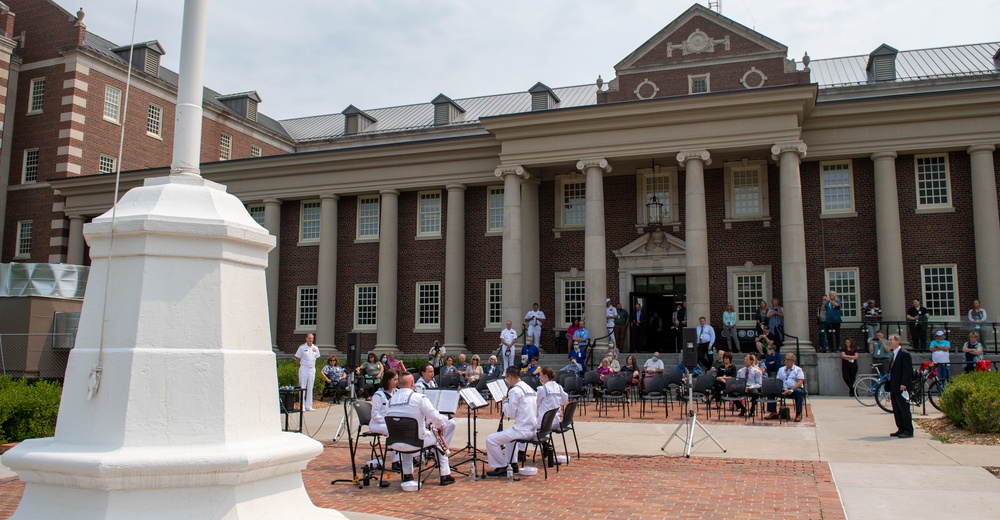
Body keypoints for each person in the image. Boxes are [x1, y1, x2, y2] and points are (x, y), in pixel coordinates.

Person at [385, 373, 456, 486]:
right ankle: (445, 474)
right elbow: (435, 417)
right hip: (417, 442)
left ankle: (407, 474)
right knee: (439, 442)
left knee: (405, 434)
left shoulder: (390, 400)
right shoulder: (419, 398)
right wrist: (440, 427)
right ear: (412, 384)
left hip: (395, 442)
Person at [485, 367, 538, 477]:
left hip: (522, 430)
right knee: (510, 438)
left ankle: (501, 466)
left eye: (506, 378)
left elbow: (510, 413)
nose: (507, 381)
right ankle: (512, 463)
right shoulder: (530, 389)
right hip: (532, 428)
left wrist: (505, 402)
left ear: (510, 377)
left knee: (490, 439)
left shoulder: (515, 391)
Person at [886, 334, 914, 438]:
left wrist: (904, 383)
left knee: (904, 409)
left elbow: (907, 371)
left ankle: (908, 430)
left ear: (898, 341)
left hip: (901, 386)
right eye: (889, 340)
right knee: (896, 409)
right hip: (893, 385)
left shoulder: (904, 354)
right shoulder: (893, 354)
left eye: (891, 340)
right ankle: (900, 428)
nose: (889, 342)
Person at [765, 353, 805, 422]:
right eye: (785, 359)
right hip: (783, 389)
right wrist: (781, 389)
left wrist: (790, 390)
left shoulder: (798, 370)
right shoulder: (781, 369)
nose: (785, 361)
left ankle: (798, 414)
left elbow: (800, 382)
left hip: (794, 389)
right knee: (770, 391)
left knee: (799, 392)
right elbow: (777, 381)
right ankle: (773, 412)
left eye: (787, 359)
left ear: (792, 361)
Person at [294, 334, 321, 412]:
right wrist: (301, 366)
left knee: (310, 386)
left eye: (312, 338)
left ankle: (309, 405)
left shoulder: (315, 348)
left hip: (312, 369)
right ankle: (302, 405)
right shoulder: (302, 348)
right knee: (302, 386)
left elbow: (316, 357)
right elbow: (298, 358)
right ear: (306, 339)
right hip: (304, 368)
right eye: (309, 338)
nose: (310, 340)